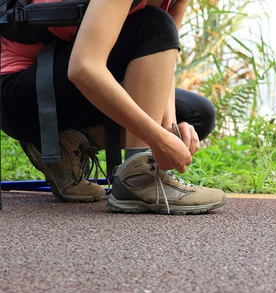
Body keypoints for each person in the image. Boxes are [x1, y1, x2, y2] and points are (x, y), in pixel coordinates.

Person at [0, 0, 227, 214]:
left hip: (61, 87)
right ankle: (138, 179)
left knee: (196, 115)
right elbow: (84, 67)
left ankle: (64, 144)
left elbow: (161, 53)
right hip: (19, 97)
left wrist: (169, 130)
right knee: (152, 24)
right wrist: (157, 140)